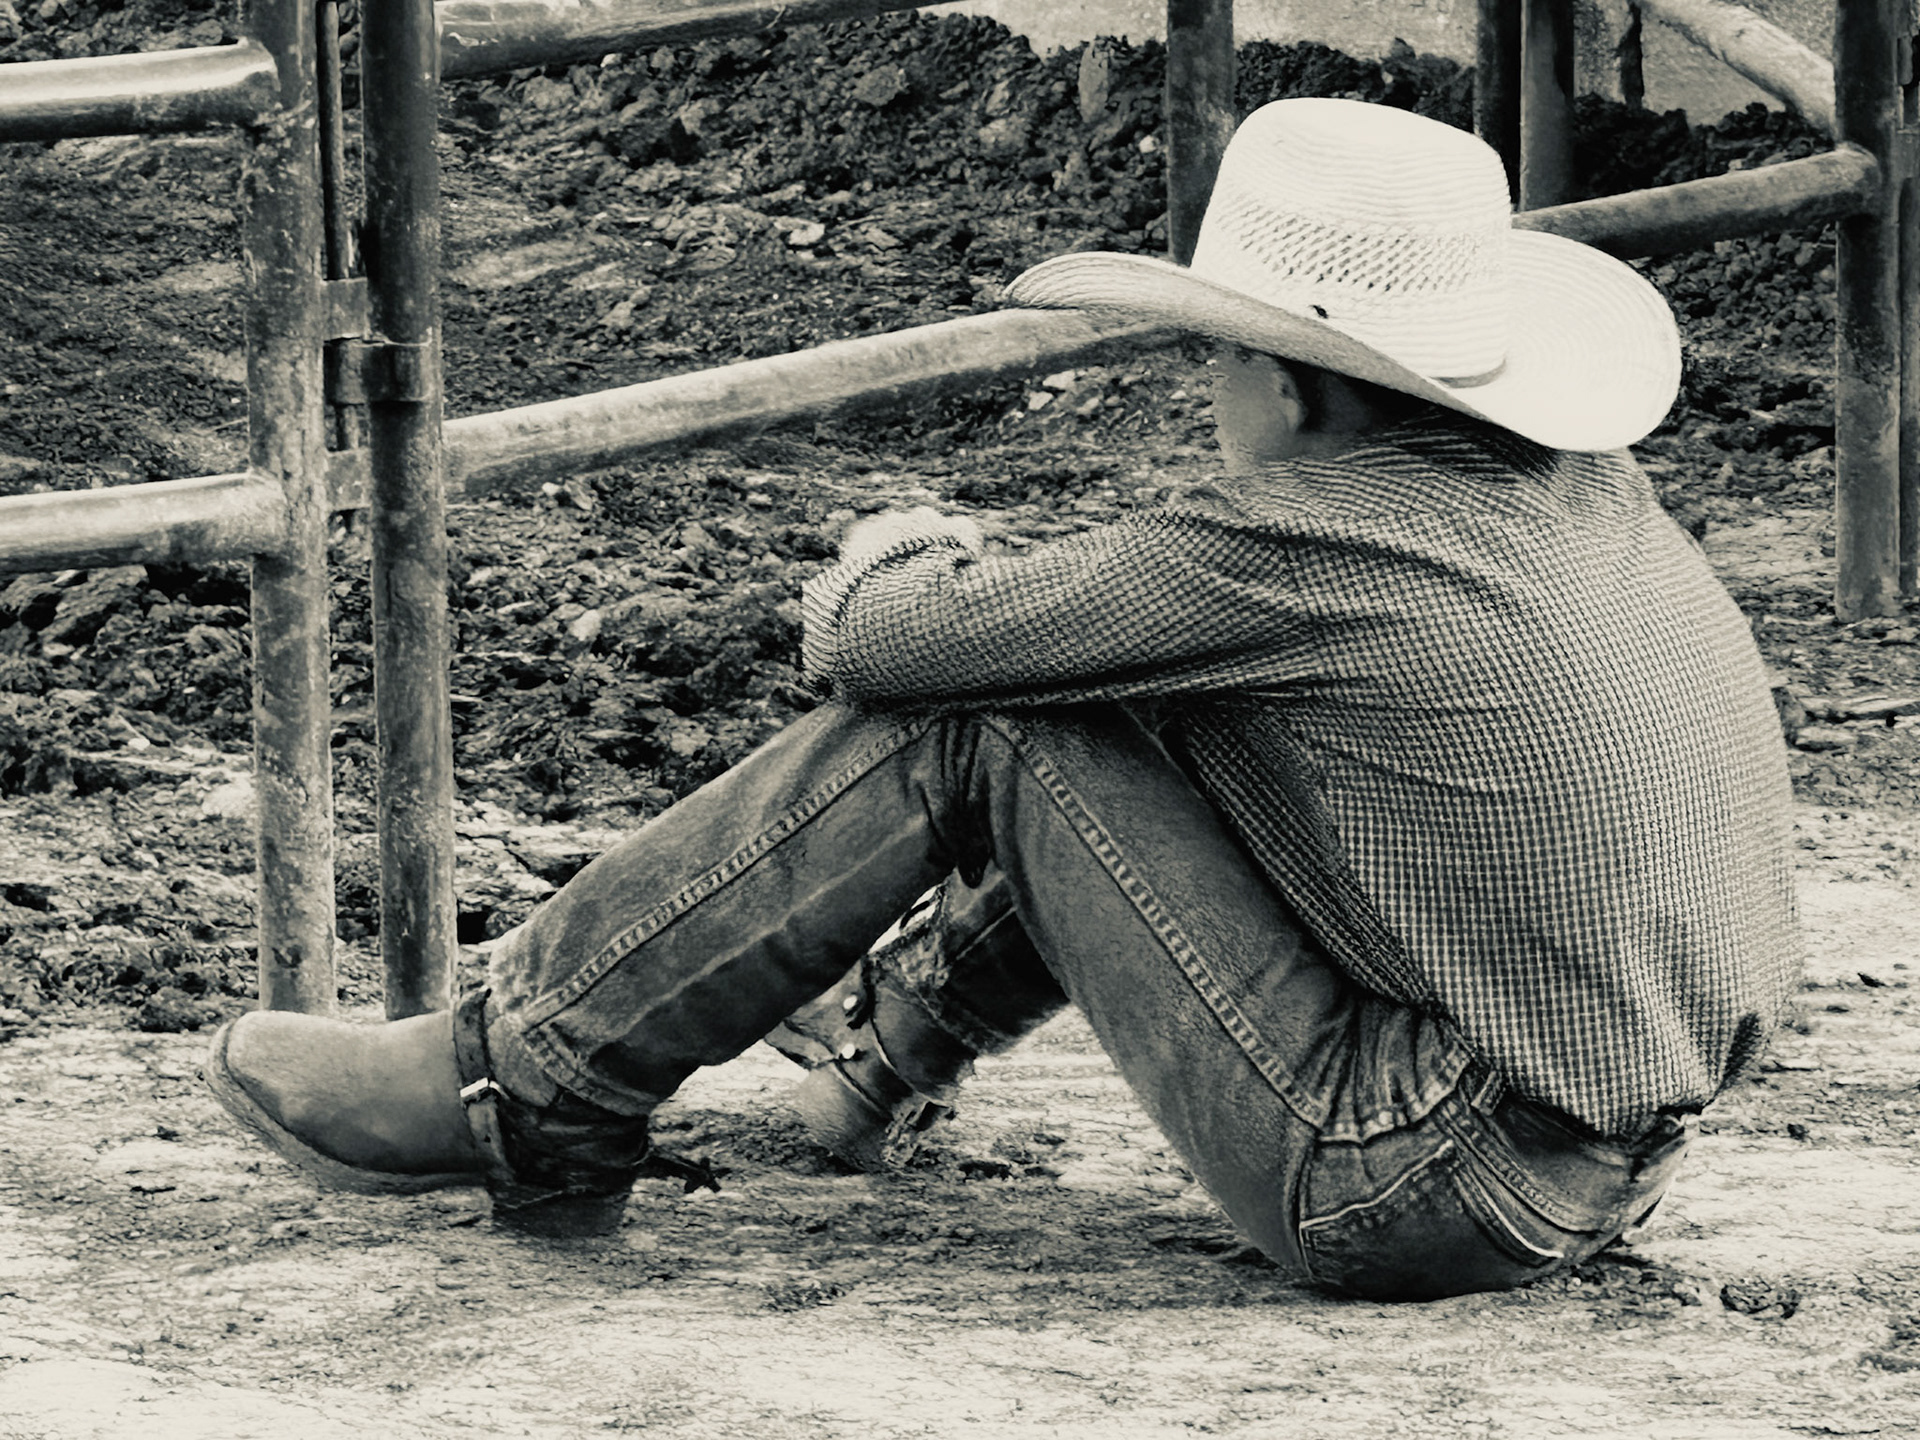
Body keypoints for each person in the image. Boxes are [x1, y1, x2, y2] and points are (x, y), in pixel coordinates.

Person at [202, 98, 1798, 1302]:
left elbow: (884, 646)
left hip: (1416, 1178)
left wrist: (908, 536)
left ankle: (524, 1080)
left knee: (1001, 719)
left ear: (1290, 380)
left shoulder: (1303, 540)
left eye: (1216, 359)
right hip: (1592, 1157)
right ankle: (873, 1061)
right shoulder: (1580, 493)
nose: (1209, 387)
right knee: (1132, 697)